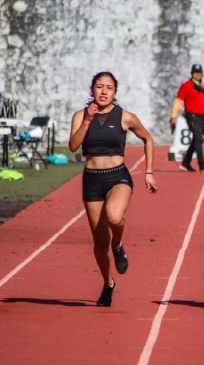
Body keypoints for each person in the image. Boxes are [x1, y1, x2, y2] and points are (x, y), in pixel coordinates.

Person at [69, 71, 158, 307]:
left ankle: (118, 245)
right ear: (91, 90)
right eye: (99, 87)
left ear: (115, 92)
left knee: (114, 216)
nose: (104, 91)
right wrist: (87, 120)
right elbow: (73, 146)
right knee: (99, 244)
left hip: (117, 176)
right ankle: (108, 284)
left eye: (109, 87)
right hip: (91, 179)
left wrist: (149, 171)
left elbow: (148, 138)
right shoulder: (80, 116)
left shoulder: (125, 117)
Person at [170, 64, 204, 173]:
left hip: (203, 117)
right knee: (198, 137)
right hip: (192, 116)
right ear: (192, 74)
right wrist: (173, 116)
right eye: (195, 73)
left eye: (199, 73)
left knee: (197, 139)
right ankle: (202, 164)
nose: (197, 75)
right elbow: (178, 101)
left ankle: (186, 162)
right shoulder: (186, 85)